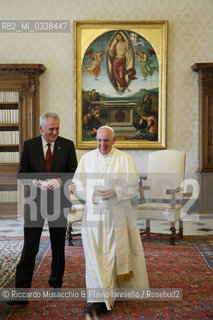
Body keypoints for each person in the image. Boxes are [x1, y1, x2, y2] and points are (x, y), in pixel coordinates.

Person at [73, 126, 149, 316]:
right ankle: (99, 298)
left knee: (114, 254)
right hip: (94, 216)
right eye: (99, 140)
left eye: (106, 140)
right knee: (95, 255)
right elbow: (78, 185)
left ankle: (114, 292)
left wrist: (117, 192)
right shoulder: (87, 159)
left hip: (118, 215)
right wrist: (92, 193)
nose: (102, 144)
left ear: (114, 141)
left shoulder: (125, 159)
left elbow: (133, 189)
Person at [7, 112, 77, 306]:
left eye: (57, 128)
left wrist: (59, 180)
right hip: (35, 203)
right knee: (30, 246)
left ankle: (56, 285)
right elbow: (22, 174)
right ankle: (21, 293)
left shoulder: (68, 145)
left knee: (57, 246)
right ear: (41, 128)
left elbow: (73, 172)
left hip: (58, 202)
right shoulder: (29, 146)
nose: (55, 132)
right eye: (51, 129)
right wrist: (35, 182)